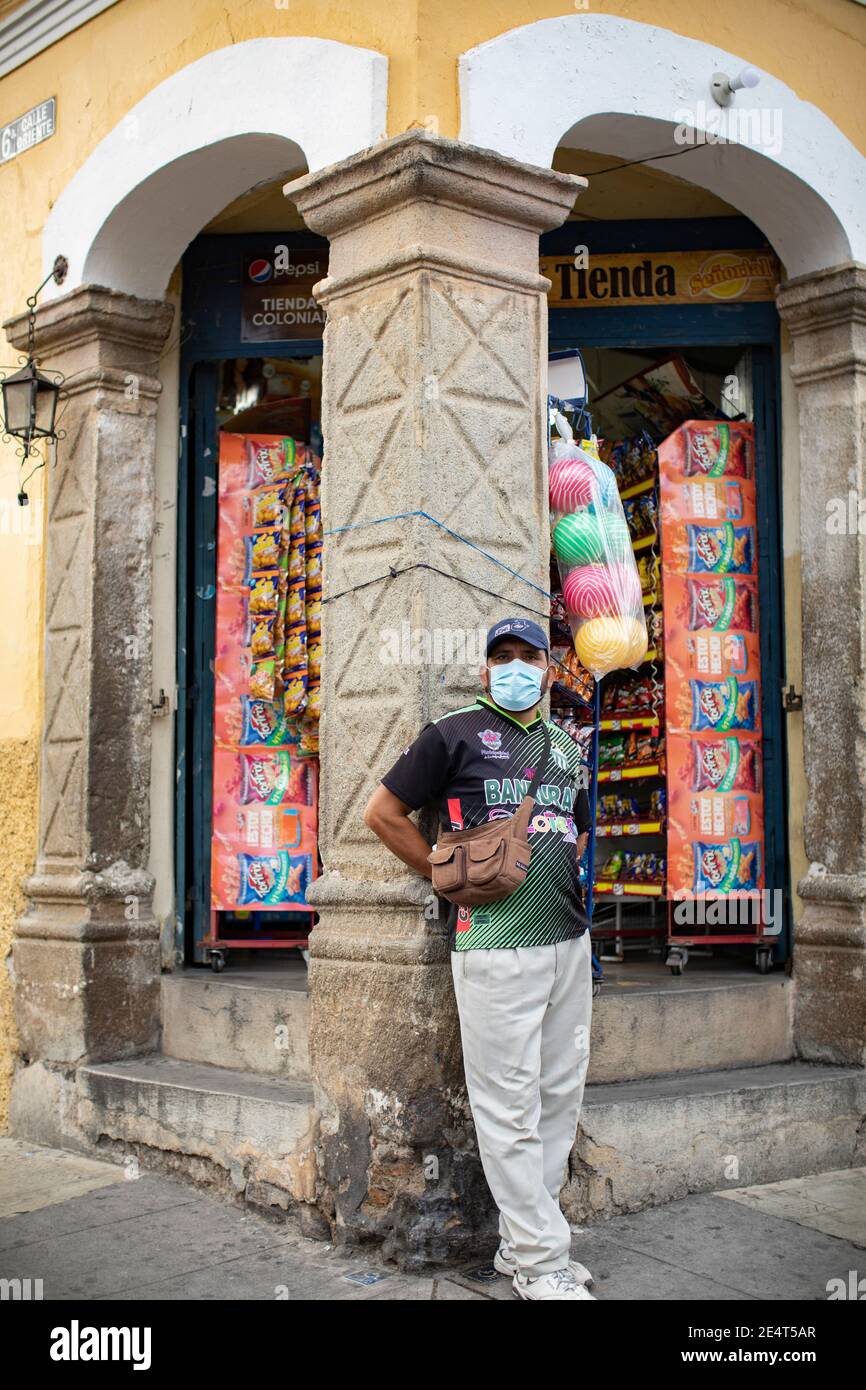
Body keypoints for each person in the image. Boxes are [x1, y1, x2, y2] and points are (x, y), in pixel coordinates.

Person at [363, 617, 597, 1301]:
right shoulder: (453, 733)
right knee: (507, 1107)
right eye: (504, 656)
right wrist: (442, 868)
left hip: (568, 942)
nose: (517, 667)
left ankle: (526, 1249)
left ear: (550, 671)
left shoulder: (564, 745)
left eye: (531, 657)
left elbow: (575, 827)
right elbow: (383, 813)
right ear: (486, 668)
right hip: (493, 943)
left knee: (558, 1096)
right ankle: (542, 1263)